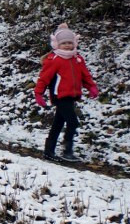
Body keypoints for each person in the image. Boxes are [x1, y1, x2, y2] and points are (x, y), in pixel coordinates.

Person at [34, 23, 100, 162]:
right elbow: (44, 78)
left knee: (58, 123)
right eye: (64, 43)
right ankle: (67, 150)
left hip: (72, 96)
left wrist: (91, 87)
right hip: (60, 96)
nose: (68, 46)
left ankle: (48, 151)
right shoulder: (54, 60)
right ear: (57, 44)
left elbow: (85, 75)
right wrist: (38, 94)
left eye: (70, 43)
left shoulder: (77, 59)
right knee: (73, 122)